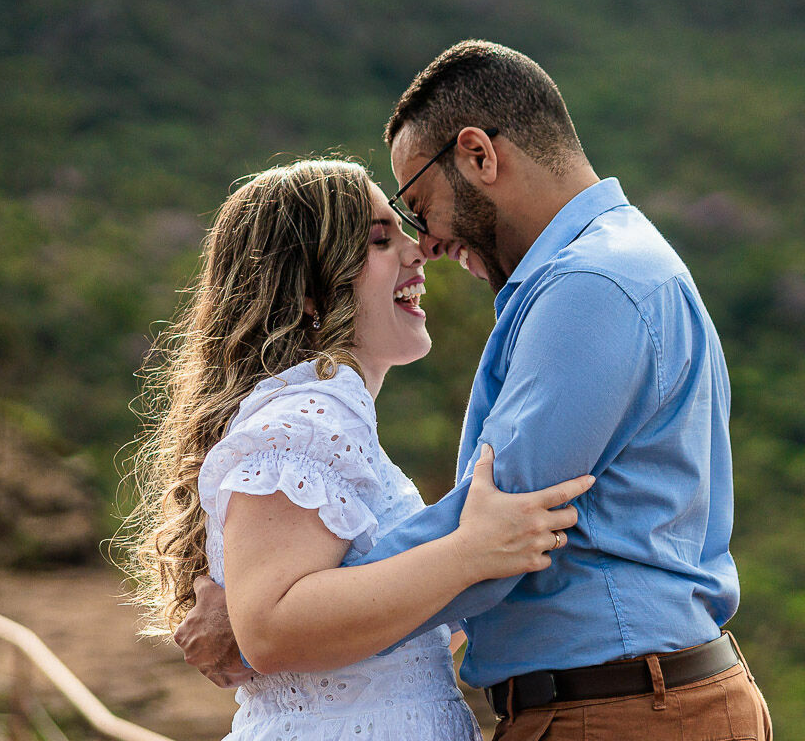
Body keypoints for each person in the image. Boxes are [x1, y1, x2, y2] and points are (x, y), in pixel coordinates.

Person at [178, 41, 771, 741]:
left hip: (618, 711)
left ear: (479, 156)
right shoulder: (605, 270)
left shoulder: (591, 285)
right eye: (388, 232)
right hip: (622, 703)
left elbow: (501, 530)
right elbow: (486, 544)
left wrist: (265, 619)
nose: (423, 242)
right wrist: (274, 610)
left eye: (418, 207)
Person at [122, 158, 596, 741]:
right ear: (306, 291)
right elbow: (271, 628)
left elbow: (371, 632)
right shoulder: (310, 417)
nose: (417, 250)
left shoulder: (329, 417)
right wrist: (472, 551)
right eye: (379, 240)